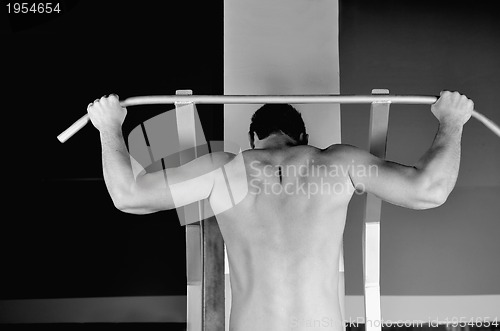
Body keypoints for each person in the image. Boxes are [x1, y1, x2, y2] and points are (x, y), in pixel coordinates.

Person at [87, 91, 473, 331]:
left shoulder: (223, 169)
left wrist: (109, 127)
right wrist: (452, 121)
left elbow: (129, 195)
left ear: (254, 138)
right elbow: (430, 190)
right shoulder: (339, 163)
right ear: (302, 138)